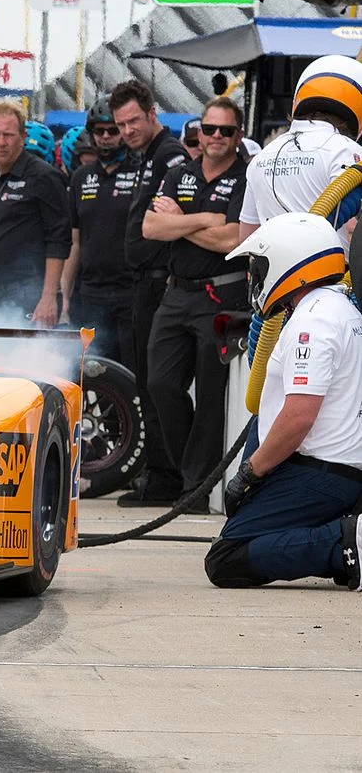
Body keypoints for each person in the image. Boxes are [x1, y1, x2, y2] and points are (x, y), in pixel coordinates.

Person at [206, 213, 362, 590]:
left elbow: (298, 417)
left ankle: (346, 543)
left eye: (259, 267)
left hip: (321, 473)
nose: (254, 278)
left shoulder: (313, 322)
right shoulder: (338, 307)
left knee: (225, 559)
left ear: (290, 263)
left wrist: (249, 474)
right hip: (333, 470)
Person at [142, 97, 250, 512]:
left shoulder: (245, 178)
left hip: (222, 294)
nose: (216, 137)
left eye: (225, 130)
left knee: (210, 396)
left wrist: (180, 221)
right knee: (161, 384)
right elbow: (152, 227)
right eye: (210, 129)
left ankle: (196, 488)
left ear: (238, 136)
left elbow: (232, 239)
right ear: (198, 133)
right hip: (176, 293)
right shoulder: (179, 173)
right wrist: (203, 218)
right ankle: (192, 470)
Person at [111, 79, 190, 507]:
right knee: (145, 382)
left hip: (160, 282)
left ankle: (166, 478)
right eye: (121, 124)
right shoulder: (145, 156)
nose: (127, 130)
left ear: (152, 113)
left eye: (134, 121)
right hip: (144, 282)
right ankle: (158, 471)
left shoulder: (169, 156)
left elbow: (169, 219)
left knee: (155, 383)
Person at [0, 100, 71, 326]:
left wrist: (48, 298)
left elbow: (59, 240)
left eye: (8, 135)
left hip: (31, 291)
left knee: (26, 361)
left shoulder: (44, 177)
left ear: (23, 137)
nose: (1, 142)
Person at [240, 54, 362, 242]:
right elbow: (352, 227)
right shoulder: (345, 151)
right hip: (329, 268)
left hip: (272, 269)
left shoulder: (260, 158)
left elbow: (245, 238)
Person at [61, 106, 142, 367]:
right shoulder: (80, 178)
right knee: (93, 373)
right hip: (92, 296)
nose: (106, 136)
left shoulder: (141, 172)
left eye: (112, 130)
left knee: (133, 373)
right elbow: (75, 243)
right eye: (99, 131)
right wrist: (63, 299)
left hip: (132, 293)